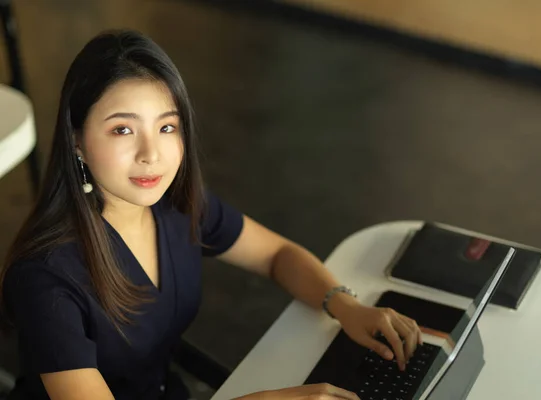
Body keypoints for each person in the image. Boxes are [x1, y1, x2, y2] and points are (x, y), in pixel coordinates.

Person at [0, 30, 422, 400]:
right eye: (123, 130)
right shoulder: (45, 277)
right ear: (76, 141)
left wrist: (347, 307)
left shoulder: (177, 205)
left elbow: (276, 255)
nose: (152, 155)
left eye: (167, 127)